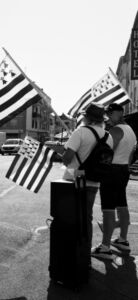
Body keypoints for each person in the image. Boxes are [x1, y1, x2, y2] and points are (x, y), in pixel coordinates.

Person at [60, 103, 113, 260]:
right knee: (86, 218)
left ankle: (71, 253)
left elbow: (67, 159)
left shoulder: (80, 132)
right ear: (101, 119)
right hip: (94, 181)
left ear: (87, 117)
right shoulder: (108, 136)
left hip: (74, 179)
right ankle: (84, 255)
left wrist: (62, 154)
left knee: (70, 217)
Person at [93, 103, 137, 259]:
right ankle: (123, 240)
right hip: (124, 169)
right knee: (122, 205)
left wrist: (98, 168)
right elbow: (131, 155)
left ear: (115, 113)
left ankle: (105, 247)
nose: (107, 118)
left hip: (112, 171)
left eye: (109, 115)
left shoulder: (116, 130)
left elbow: (106, 153)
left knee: (108, 209)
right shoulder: (131, 130)